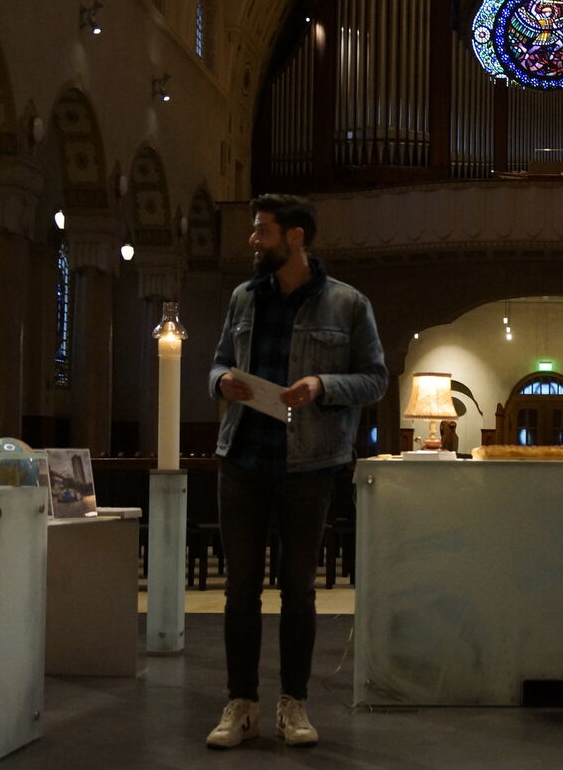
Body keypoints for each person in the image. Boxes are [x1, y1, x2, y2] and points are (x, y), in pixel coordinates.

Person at [205, 194, 387, 748]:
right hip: (243, 458)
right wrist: (221, 382)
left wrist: (322, 385)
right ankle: (241, 704)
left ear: (296, 237)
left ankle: (294, 704)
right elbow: (217, 361)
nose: (253, 240)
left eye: (262, 231)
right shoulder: (243, 297)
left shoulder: (347, 303)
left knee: (299, 591)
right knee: (240, 591)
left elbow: (375, 378)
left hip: (308, 465)